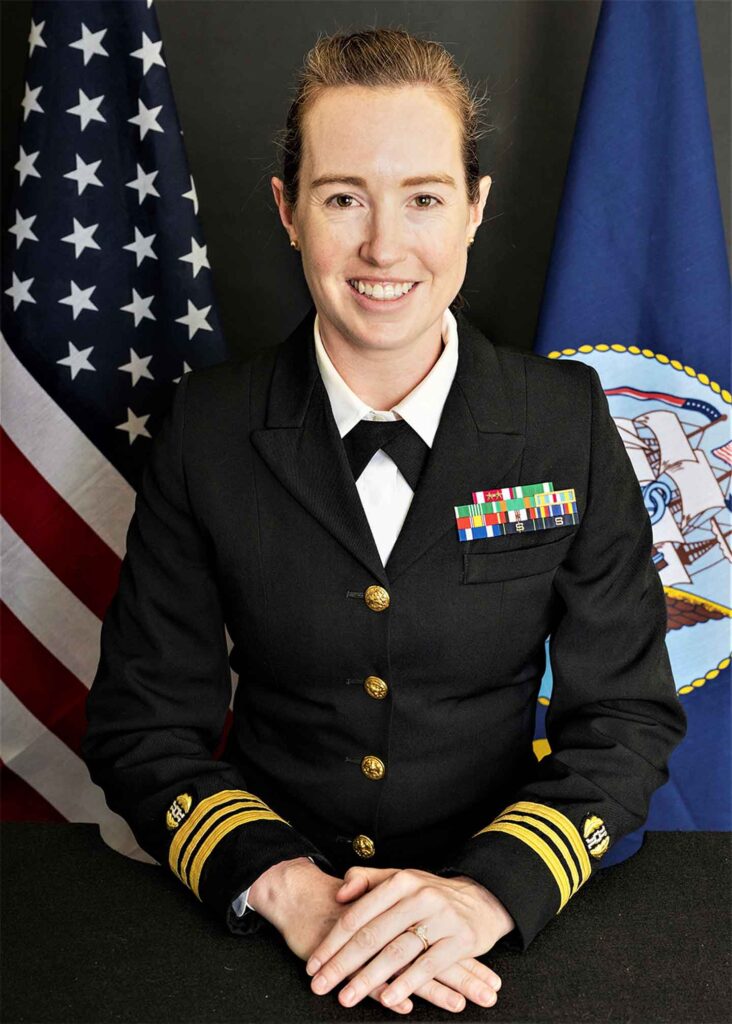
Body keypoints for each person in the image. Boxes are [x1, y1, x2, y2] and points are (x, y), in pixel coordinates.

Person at [81, 25, 687, 1017]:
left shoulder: (563, 421)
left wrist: (487, 892)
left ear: (476, 208)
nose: (383, 246)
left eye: (423, 199)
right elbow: (146, 722)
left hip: (497, 931)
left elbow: (624, 715)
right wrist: (286, 885)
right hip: (275, 921)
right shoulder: (210, 428)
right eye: (342, 198)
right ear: (287, 209)